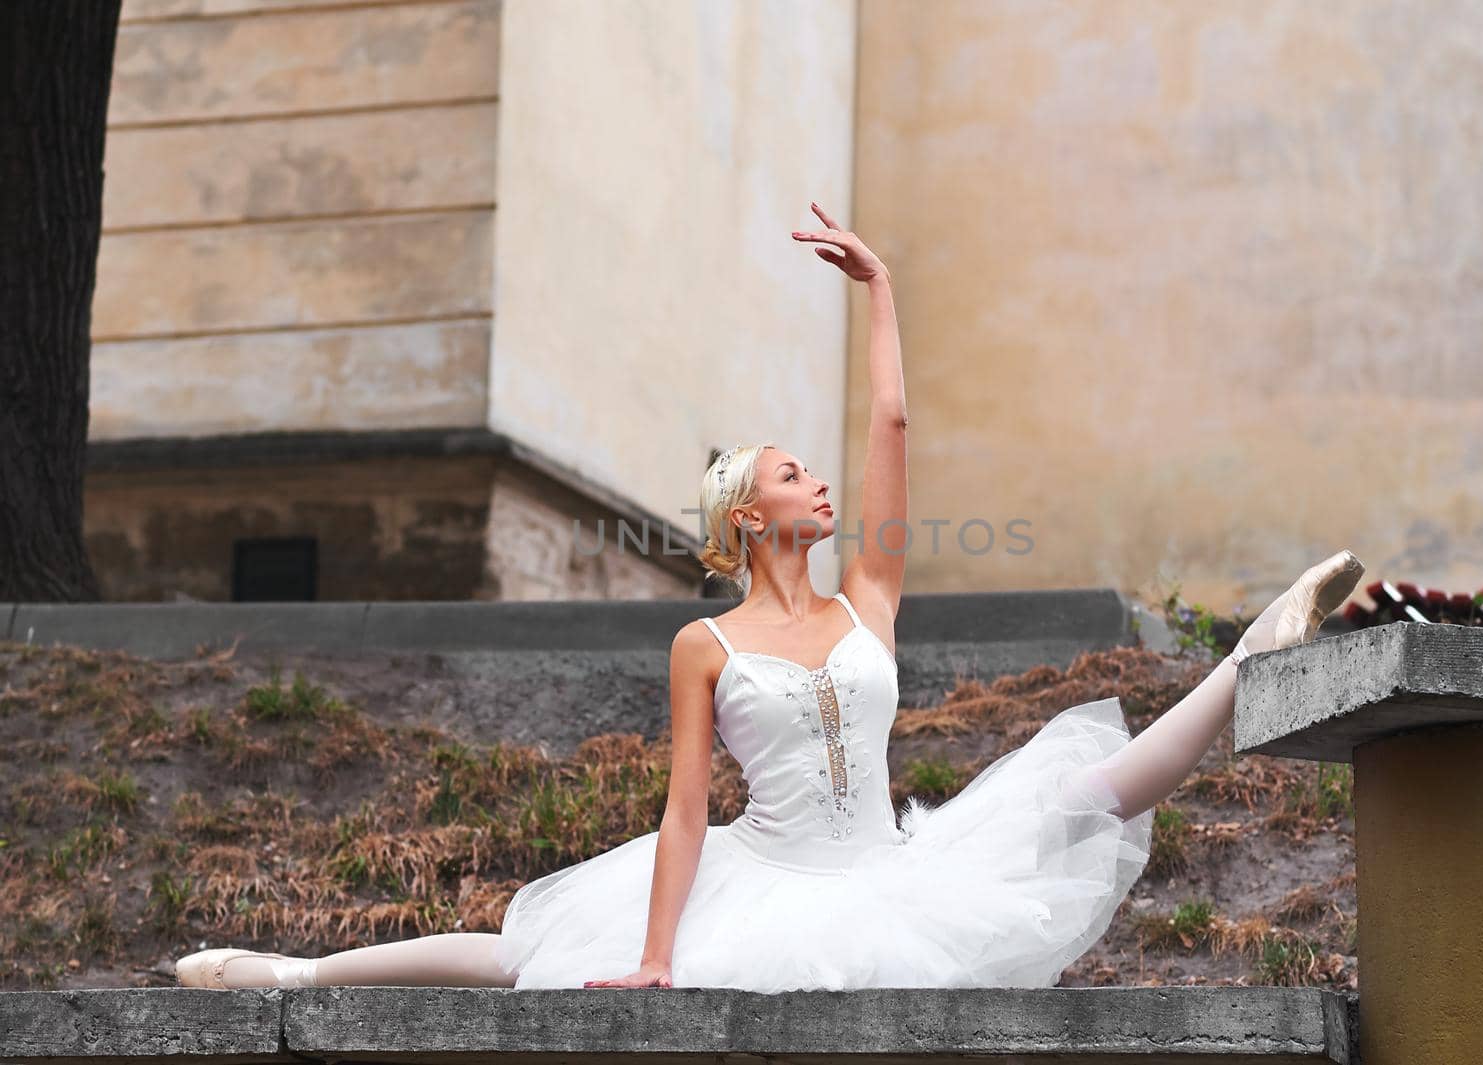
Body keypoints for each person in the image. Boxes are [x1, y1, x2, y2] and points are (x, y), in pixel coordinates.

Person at [175, 204, 1365, 992]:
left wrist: (882, 290)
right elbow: (687, 812)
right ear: (750, 517)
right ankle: (298, 976)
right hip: (768, 880)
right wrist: (653, 955)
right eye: (794, 475)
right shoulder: (703, 643)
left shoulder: (867, 599)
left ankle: (1247, 654)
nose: (820, 480)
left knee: (1084, 789)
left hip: (891, 866)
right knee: (523, 955)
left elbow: (892, 422)